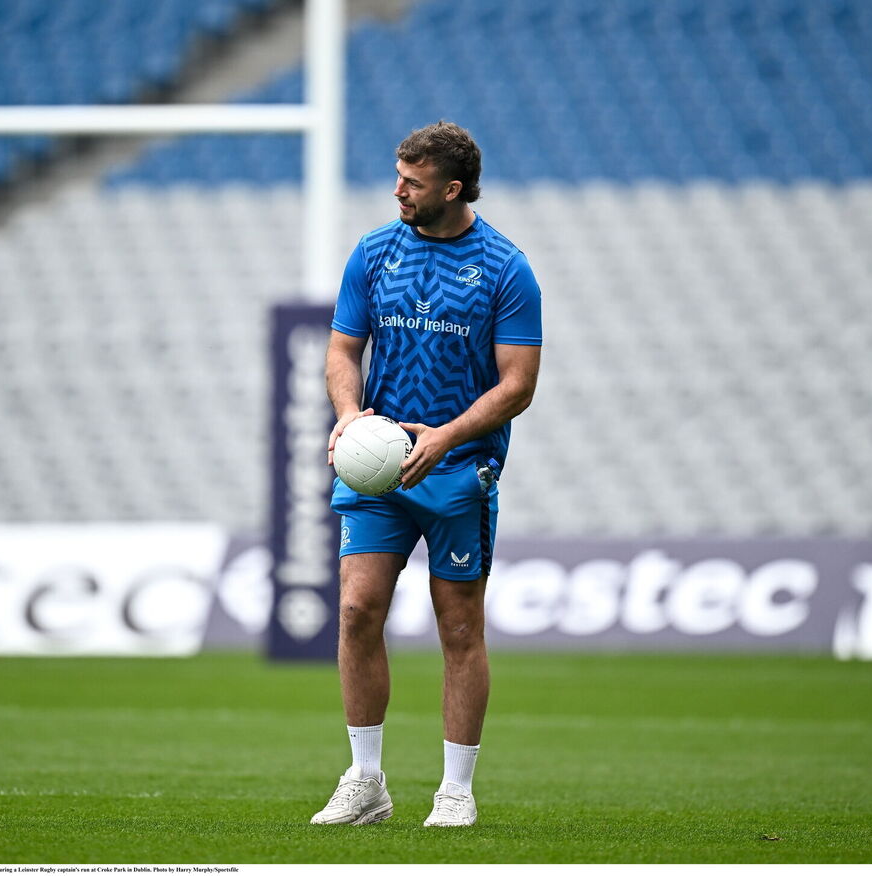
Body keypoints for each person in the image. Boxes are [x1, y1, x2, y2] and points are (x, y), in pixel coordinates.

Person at [312, 121, 543, 828]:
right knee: (355, 611)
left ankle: (455, 790)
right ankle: (366, 781)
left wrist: (445, 438)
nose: (397, 190)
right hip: (378, 470)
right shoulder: (375, 252)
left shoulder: (506, 267)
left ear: (451, 187)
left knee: (460, 628)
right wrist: (349, 413)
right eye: (397, 176)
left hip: (458, 469)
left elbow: (519, 385)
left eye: (411, 182)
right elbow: (343, 349)